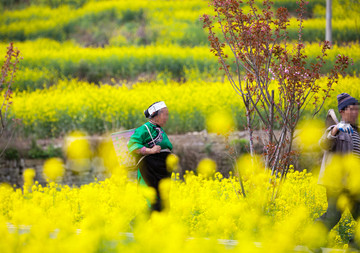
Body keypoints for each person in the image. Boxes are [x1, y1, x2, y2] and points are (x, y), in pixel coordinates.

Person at [317, 93, 360, 250]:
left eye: (358, 109)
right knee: (333, 215)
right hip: (337, 183)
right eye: (352, 109)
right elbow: (323, 143)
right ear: (342, 111)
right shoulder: (336, 130)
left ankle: (354, 247)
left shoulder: (357, 133)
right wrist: (336, 129)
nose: (356, 112)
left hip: (353, 184)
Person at [127, 101, 173, 212]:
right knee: (154, 203)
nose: (167, 117)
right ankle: (135, 225)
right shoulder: (144, 129)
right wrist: (150, 150)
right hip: (149, 170)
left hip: (161, 170)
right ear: (155, 115)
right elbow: (132, 145)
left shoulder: (159, 129)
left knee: (164, 204)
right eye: (165, 114)